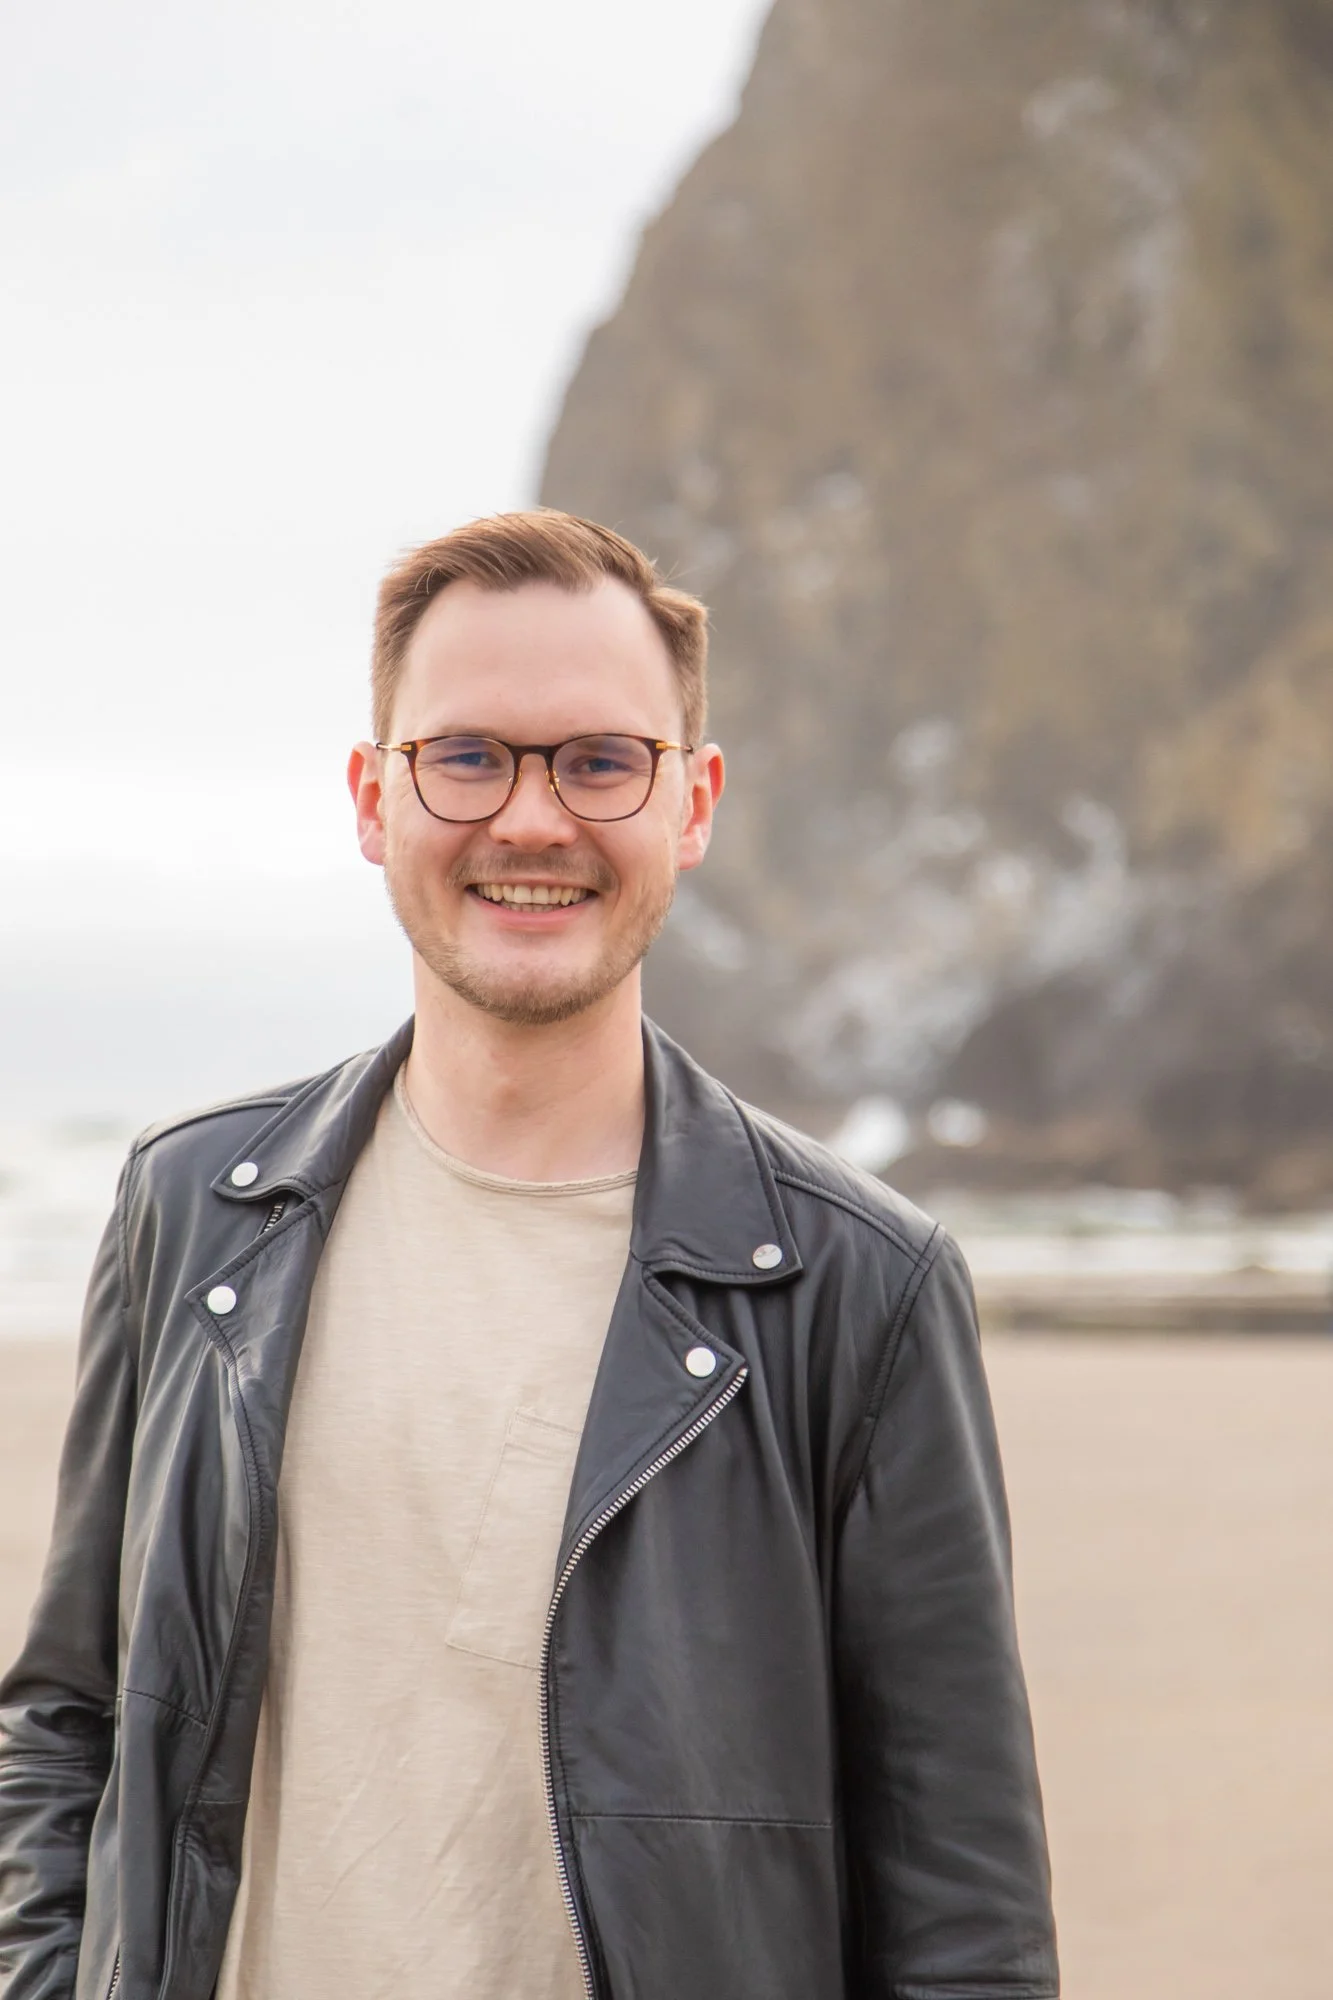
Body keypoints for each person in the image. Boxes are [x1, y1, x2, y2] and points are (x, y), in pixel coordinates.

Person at [0, 510, 1059, 2000]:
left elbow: (964, 1906)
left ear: (692, 804)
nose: (534, 820)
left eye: (601, 760)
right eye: (471, 756)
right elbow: (70, 1720)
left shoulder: (858, 1289)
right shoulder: (190, 1212)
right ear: (375, 798)